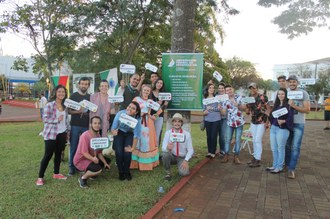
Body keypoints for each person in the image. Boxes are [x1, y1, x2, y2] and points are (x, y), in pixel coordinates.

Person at [36, 85, 70, 186]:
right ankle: (40, 177)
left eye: (63, 92)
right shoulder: (50, 105)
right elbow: (45, 118)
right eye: (59, 92)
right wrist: (56, 120)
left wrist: (67, 132)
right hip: (51, 134)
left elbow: (66, 120)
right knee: (48, 155)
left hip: (62, 133)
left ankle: (56, 173)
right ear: (55, 93)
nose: (61, 94)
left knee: (59, 153)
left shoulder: (65, 106)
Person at [74, 116, 111, 188]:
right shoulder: (84, 136)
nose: (97, 125)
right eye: (95, 123)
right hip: (81, 160)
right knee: (98, 169)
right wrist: (93, 159)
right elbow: (84, 153)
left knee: (107, 161)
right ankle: (83, 178)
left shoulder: (98, 135)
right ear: (91, 124)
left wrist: (105, 163)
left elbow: (99, 152)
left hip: (91, 157)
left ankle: (92, 174)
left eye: (99, 123)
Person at [285, 75, 310, 179]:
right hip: (287, 123)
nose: (292, 84)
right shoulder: (286, 93)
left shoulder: (303, 93)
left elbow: (307, 110)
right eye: (290, 82)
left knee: (295, 147)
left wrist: (293, 105)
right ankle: (286, 165)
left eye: (294, 82)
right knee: (287, 145)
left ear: (297, 82)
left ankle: (291, 169)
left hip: (299, 123)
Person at [131, 84, 161, 170]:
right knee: (136, 140)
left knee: (146, 142)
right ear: (141, 90)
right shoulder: (136, 99)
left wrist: (153, 116)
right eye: (144, 90)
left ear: (150, 92)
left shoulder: (150, 101)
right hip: (137, 121)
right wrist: (136, 113)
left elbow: (159, 110)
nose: (146, 92)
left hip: (147, 123)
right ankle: (135, 163)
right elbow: (130, 108)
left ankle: (145, 164)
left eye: (148, 90)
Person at [111, 101, 141, 180]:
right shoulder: (120, 113)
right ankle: (121, 172)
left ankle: (126, 171)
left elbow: (136, 135)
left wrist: (132, 148)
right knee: (119, 153)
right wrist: (114, 131)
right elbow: (113, 127)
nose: (130, 109)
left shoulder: (137, 119)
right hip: (119, 132)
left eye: (133, 108)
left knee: (127, 153)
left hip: (129, 134)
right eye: (129, 106)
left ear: (136, 111)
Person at [267, 88, 294, 173]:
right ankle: (274, 165)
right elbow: (272, 117)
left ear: (285, 95)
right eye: (279, 94)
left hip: (282, 129)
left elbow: (291, 117)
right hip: (273, 128)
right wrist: (269, 118)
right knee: (274, 148)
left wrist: (284, 121)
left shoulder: (289, 105)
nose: (280, 96)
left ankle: (280, 166)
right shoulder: (276, 105)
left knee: (280, 148)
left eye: (282, 94)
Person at [68, 77, 91, 176]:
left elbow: (92, 111)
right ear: (79, 84)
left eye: (86, 84)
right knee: (74, 146)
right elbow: (69, 111)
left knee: (85, 148)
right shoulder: (73, 96)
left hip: (86, 126)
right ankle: (71, 167)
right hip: (75, 125)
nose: (84, 86)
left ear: (88, 85)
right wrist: (78, 111)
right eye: (82, 84)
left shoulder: (90, 97)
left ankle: (81, 166)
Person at [162, 113, 194, 181]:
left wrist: (186, 160)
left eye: (179, 121)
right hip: (172, 156)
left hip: (182, 157)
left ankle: (182, 165)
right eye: (175, 121)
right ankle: (168, 172)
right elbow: (163, 147)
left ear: (181, 123)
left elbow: (191, 150)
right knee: (164, 154)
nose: (177, 123)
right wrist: (167, 147)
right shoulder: (168, 133)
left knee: (184, 173)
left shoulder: (186, 134)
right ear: (172, 123)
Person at [246, 82, 270, 168]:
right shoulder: (249, 97)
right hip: (253, 121)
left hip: (262, 121)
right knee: (254, 140)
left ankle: (258, 159)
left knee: (257, 140)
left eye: (254, 88)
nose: (252, 90)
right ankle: (255, 157)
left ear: (257, 88)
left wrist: (268, 122)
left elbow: (269, 109)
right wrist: (247, 111)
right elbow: (248, 110)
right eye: (251, 88)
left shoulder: (263, 97)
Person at [221, 85, 246, 164]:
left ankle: (236, 156)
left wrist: (237, 105)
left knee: (238, 140)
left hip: (239, 122)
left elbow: (244, 108)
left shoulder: (240, 97)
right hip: (230, 122)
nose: (229, 91)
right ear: (225, 92)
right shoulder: (225, 100)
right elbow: (224, 113)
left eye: (230, 89)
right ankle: (226, 155)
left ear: (233, 89)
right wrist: (220, 109)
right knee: (227, 139)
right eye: (227, 90)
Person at [203, 83, 221, 159]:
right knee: (209, 136)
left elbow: (219, 109)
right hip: (207, 119)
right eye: (210, 88)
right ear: (207, 89)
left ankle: (213, 152)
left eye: (213, 88)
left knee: (214, 136)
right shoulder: (204, 99)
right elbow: (203, 110)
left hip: (216, 119)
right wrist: (204, 112)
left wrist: (212, 108)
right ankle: (209, 151)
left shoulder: (217, 98)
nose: (212, 89)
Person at [151, 78, 169, 147]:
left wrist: (164, 105)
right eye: (158, 82)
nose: (159, 84)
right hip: (150, 115)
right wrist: (156, 103)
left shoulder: (164, 94)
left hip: (159, 116)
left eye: (161, 83)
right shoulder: (150, 92)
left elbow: (163, 108)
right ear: (155, 83)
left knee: (157, 134)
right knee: (149, 133)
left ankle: (156, 152)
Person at [216, 82, 227, 156]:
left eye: (222, 88)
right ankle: (214, 150)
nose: (221, 89)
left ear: (224, 89)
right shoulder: (215, 96)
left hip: (224, 118)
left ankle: (222, 150)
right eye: (219, 88)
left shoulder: (227, 96)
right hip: (216, 118)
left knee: (222, 135)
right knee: (215, 135)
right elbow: (206, 92)